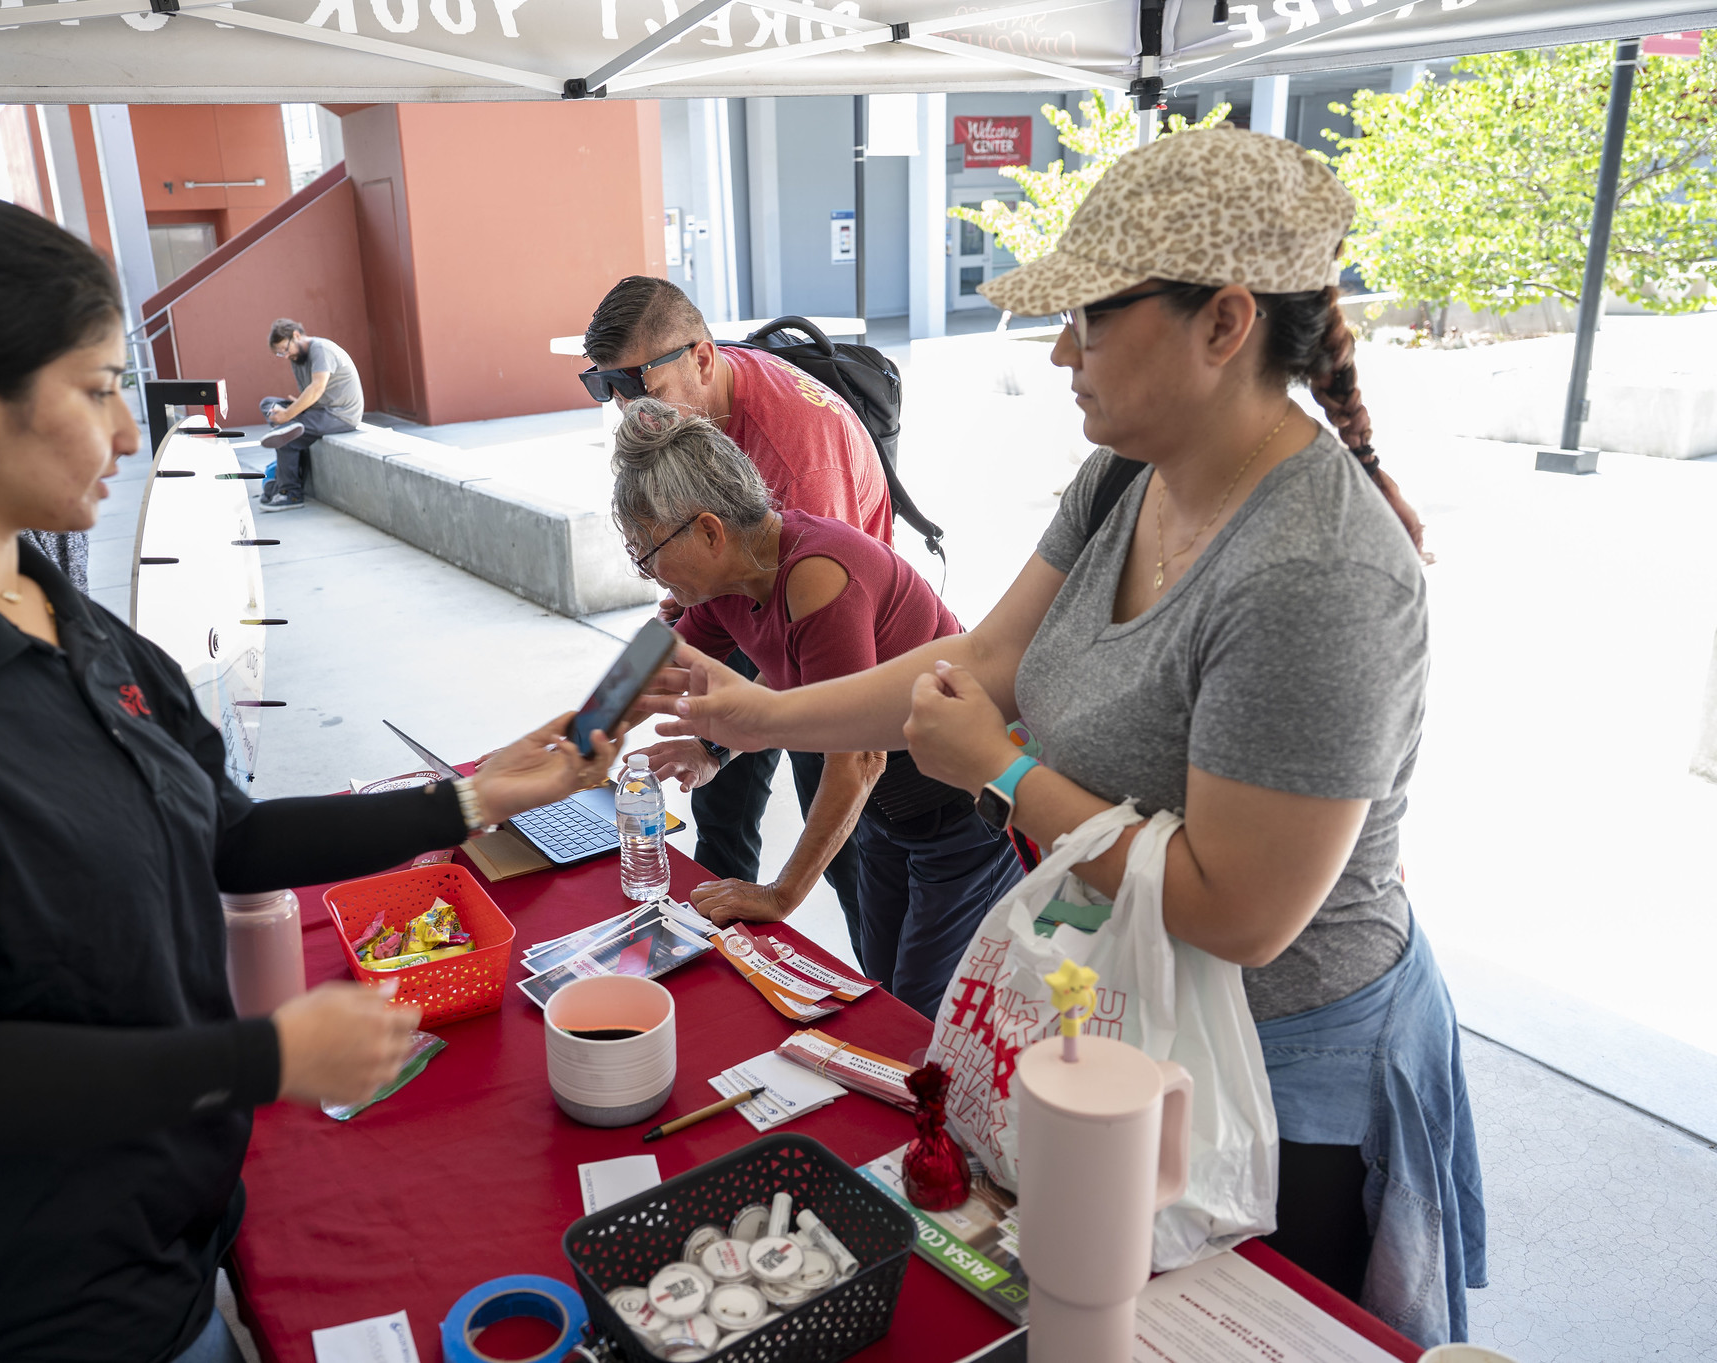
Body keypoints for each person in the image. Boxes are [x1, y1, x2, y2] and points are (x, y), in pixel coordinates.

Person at [0, 188, 622, 1363]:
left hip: (168, 1227)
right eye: (98, 387)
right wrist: (266, 1054)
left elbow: (221, 835)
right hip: (28, 1303)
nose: (130, 433)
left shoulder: (62, 617)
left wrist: (476, 800)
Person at [644, 129, 1483, 1346]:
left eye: (1087, 319)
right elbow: (974, 667)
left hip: (1276, 1063)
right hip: (1128, 1008)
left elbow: (1234, 911)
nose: (1056, 351)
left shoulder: (1316, 572)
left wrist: (1002, 772)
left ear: (1223, 322)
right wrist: (753, 717)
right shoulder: (1124, 477)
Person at [614, 397, 1024, 1018]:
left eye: (647, 551)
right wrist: (577, 741)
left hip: (965, 809)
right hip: (888, 813)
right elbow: (653, 666)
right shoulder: (727, 582)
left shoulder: (819, 577)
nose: (647, 572)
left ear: (708, 531)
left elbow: (858, 759)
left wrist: (781, 895)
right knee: (883, 985)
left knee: (917, 1013)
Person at [582, 276, 892, 955]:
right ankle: (722, 951)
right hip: (763, 611)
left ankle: (880, 1000)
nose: (632, 414)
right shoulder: (687, 420)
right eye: (613, 394)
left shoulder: (796, 468)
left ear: (700, 358)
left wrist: (722, 744)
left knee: (845, 848)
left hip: (849, 665)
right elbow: (678, 645)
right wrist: (587, 727)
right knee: (715, 801)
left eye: (643, 391)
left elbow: (826, 677)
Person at [258, 318, 364, 513]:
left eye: (285, 349)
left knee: (286, 434)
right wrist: (292, 407)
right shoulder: (297, 358)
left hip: (339, 414)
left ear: (296, 336)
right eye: (280, 353)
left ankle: (290, 494)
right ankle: (285, 433)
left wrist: (289, 413)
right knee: (268, 403)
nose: (285, 355)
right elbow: (312, 393)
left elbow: (317, 387)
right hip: (320, 409)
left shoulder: (321, 349)